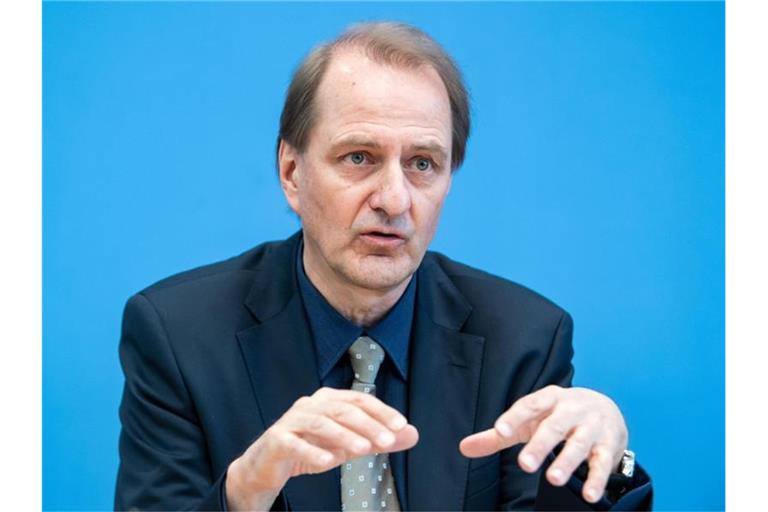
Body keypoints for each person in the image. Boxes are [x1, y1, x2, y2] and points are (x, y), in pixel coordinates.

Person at [115, 22, 652, 511]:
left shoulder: (525, 340)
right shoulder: (178, 335)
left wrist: (604, 466)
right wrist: (243, 493)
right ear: (291, 171)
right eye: (359, 158)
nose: (394, 200)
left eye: (422, 164)